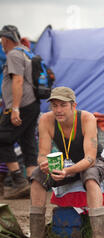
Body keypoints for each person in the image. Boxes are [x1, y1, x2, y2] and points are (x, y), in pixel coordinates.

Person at [23, 87, 104, 238]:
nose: (58, 110)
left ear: (73, 105)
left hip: (94, 160)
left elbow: (90, 158)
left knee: (90, 177)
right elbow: (42, 154)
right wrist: (45, 164)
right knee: (36, 177)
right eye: (54, 105)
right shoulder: (46, 120)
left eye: (63, 105)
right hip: (67, 162)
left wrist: (68, 171)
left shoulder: (87, 118)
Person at [0, 25, 40, 199]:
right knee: (28, 143)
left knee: (2, 138)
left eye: (2, 40)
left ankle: (19, 181)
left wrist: (14, 108)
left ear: (6, 39)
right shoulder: (26, 52)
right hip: (33, 104)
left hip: (21, 105)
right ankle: (33, 184)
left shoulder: (14, 54)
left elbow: (17, 80)